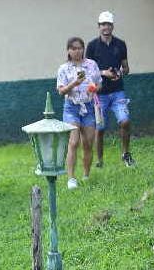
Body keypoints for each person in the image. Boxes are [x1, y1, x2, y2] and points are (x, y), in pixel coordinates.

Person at [86, 10, 135, 168]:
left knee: (125, 121)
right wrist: (103, 73)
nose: (106, 27)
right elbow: (88, 71)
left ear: (112, 26)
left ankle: (126, 155)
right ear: (98, 26)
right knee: (100, 129)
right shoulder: (92, 46)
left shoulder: (120, 44)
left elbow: (126, 68)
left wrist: (119, 72)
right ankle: (100, 161)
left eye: (108, 24)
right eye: (103, 24)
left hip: (117, 92)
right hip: (99, 95)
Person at [57, 37, 102, 189]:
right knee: (73, 142)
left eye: (79, 48)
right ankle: (71, 179)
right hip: (71, 107)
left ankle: (86, 175)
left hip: (88, 107)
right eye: (73, 48)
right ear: (68, 51)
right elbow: (61, 91)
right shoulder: (64, 68)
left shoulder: (91, 64)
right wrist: (75, 83)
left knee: (88, 143)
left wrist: (95, 88)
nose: (77, 51)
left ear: (83, 49)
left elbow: (99, 83)